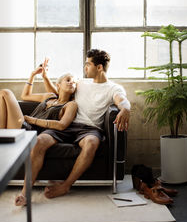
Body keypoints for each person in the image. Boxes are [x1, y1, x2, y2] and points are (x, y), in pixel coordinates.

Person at [40, 49, 131, 200]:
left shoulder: (113, 88)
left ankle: (65, 186)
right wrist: (45, 77)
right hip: (69, 125)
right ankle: (26, 187)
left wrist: (126, 108)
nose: (85, 68)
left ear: (99, 67)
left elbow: (121, 100)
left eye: (88, 64)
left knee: (91, 143)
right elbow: (59, 93)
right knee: (41, 139)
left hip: (90, 130)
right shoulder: (81, 84)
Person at [0, 62, 77, 206]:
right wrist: (33, 75)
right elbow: (25, 95)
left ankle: (24, 193)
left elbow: (62, 125)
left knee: (6, 93)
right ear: (58, 85)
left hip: (31, 131)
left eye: (74, 81)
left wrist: (33, 119)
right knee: (3, 93)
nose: (72, 82)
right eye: (68, 80)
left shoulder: (71, 105)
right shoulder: (49, 96)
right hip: (25, 125)